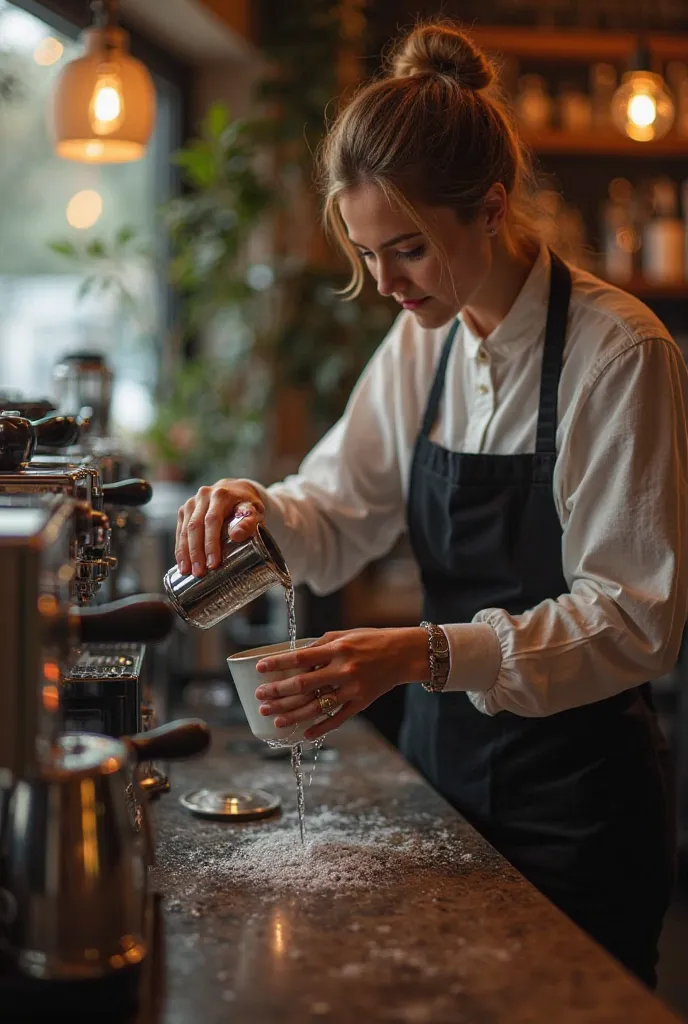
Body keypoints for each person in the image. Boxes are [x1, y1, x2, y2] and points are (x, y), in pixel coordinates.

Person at [175, 21, 688, 988]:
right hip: (441, 781)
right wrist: (257, 510)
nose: (384, 285)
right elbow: (337, 510)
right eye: (367, 255)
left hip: (578, 809)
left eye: (406, 249)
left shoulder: (618, 356)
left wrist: (422, 652)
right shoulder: (426, 342)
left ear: (490, 209)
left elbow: (634, 621)